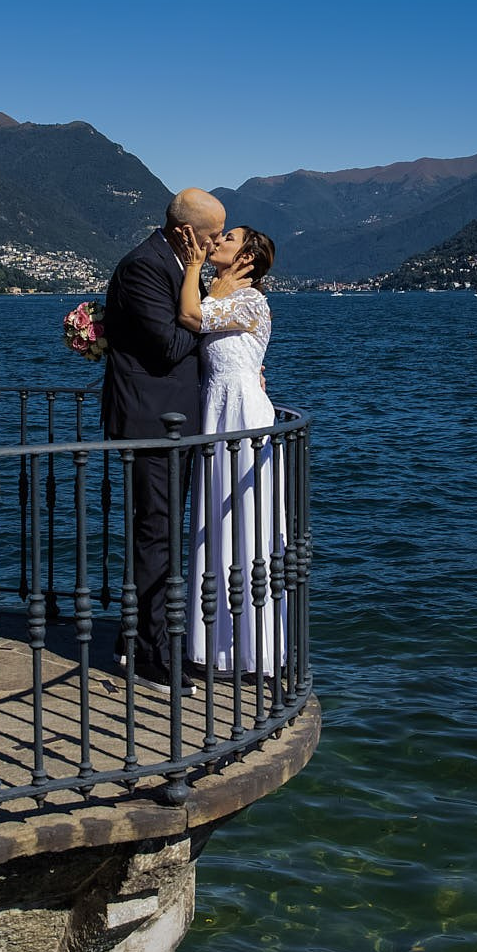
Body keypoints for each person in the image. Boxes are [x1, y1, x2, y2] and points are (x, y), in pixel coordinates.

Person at [101, 187, 226, 691]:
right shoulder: (145, 267)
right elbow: (172, 345)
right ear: (184, 232)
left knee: (163, 533)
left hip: (173, 420)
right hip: (153, 422)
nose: (217, 243)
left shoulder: (168, 263)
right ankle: (151, 656)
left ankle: (134, 640)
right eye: (212, 234)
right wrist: (206, 305)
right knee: (157, 535)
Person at [176, 224, 285, 678]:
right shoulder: (222, 293)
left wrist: (198, 269)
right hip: (217, 409)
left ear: (248, 258)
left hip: (241, 414)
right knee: (215, 520)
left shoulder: (249, 300)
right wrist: (207, 279)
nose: (217, 240)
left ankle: (254, 649)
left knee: (244, 519)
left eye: (229, 238)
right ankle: (216, 646)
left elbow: (190, 318)